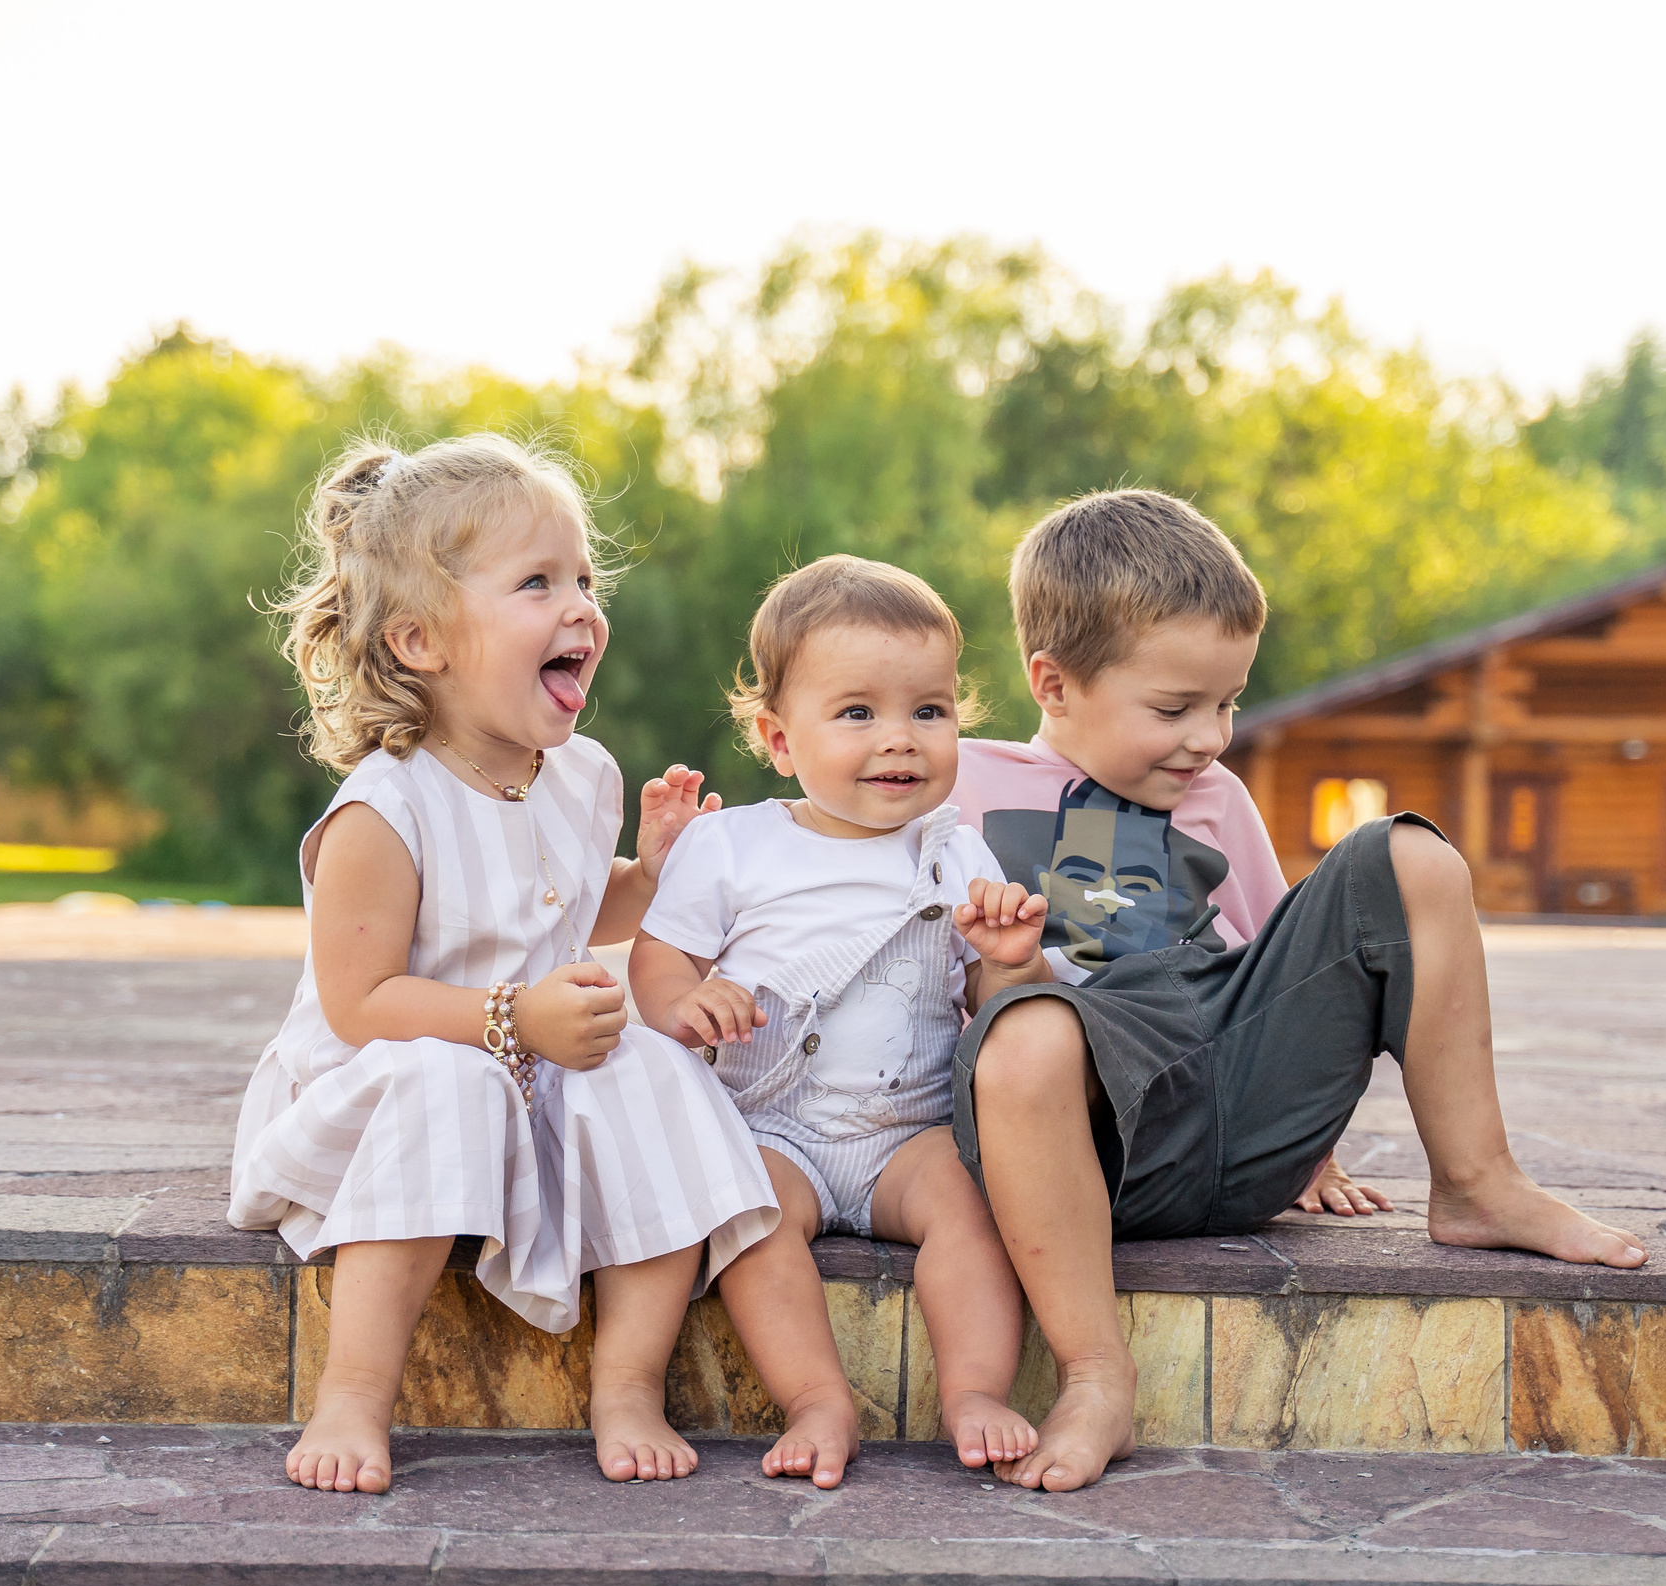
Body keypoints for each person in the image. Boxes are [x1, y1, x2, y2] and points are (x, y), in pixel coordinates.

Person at [948, 489, 1650, 1493]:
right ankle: (1096, 1374)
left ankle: (1477, 1182)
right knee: (1030, 1031)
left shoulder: (1214, 799)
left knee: (1410, 855)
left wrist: (1312, 1145)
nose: (1211, 737)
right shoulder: (960, 787)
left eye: (1227, 703)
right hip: (1081, 1152)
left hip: (1230, 1121)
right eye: (1174, 709)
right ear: (1053, 683)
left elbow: (1273, 968)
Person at [230, 434, 777, 1494]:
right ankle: (353, 1396)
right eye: (537, 583)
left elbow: (561, 897)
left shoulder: (579, 774)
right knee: (451, 1082)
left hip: (525, 1064)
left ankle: (628, 1383)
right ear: (420, 640)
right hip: (382, 1083)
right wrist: (512, 1021)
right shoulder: (384, 808)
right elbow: (359, 1002)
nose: (580, 608)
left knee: (653, 1065)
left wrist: (647, 875)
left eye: (585, 580)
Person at [629, 557, 1053, 1490]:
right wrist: (684, 1003)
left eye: (929, 710)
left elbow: (1000, 1009)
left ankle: (973, 1391)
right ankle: (817, 1398)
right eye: (857, 712)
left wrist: (1011, 957)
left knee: (977, 1210)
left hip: (911, 1131)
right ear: (780, 739)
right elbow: (659, 957)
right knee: (750, 1220)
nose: (899, 737)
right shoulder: (732, 843)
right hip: (773, 1127)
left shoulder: (957, 851)